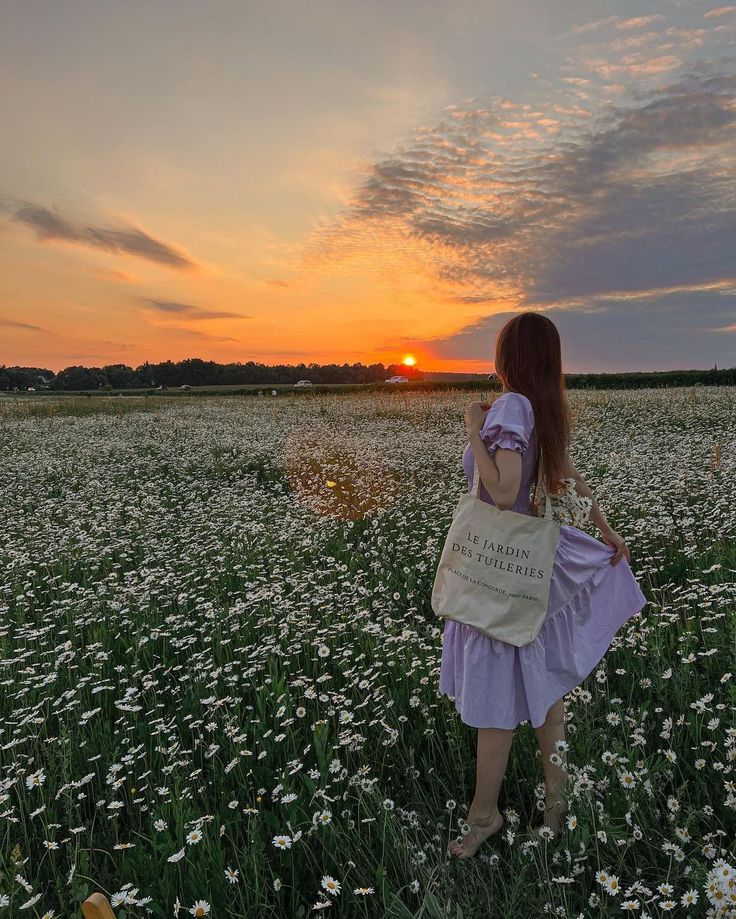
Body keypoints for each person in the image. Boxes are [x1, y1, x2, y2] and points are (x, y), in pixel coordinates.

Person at [439, 311, 647, 859]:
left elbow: (504, 493)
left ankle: (485, 816)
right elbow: (566, 474)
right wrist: (606, 531)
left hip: (498, 570)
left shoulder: (510, 406)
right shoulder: (544, 409)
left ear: (510, 357)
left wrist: (470, 430)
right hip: (532, 565)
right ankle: (556, 805)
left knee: (493, 701)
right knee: (543, 690)